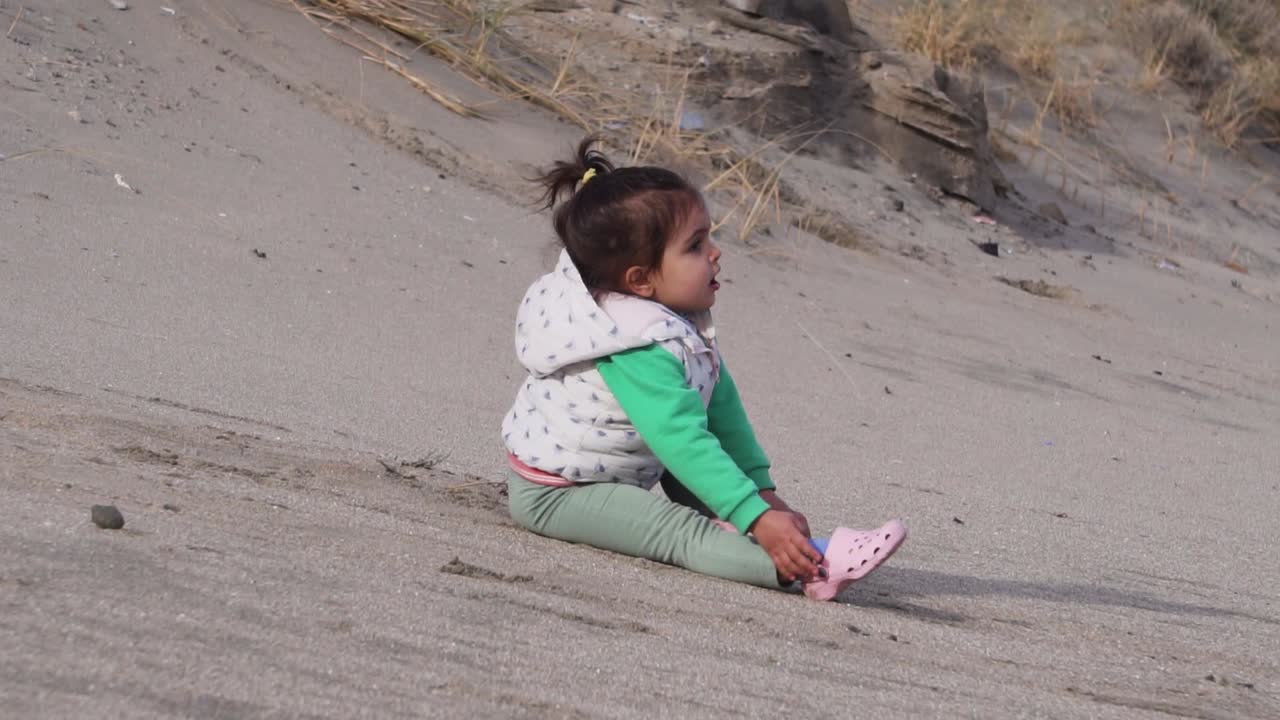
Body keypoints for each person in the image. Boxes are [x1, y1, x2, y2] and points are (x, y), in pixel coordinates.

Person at [501, 137, 905, 600]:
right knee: (678, 530)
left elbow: (720, 412)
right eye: (695, 246)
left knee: (722, 489)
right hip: (559, 492)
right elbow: (680, 439)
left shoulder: (676, 321)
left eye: (709, 237)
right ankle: (811, 568)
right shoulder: (631, 342)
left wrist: (763, 495)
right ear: (641, 280)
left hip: (630, 458)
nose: (715, 252)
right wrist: (755, 517)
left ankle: (784, 544)